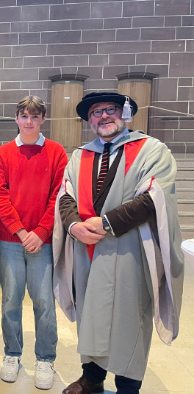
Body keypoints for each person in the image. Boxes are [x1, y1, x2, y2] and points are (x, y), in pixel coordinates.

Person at [54, 92, 184, 394]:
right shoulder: (80, 155)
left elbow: (154, 196)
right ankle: (92, 379)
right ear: (89, 120)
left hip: (131, 251)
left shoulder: (152, 150)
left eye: (110, 110)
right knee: (92, 314)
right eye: (96, 112)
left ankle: (128, 385)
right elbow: (65, 194)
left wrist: (106, 222)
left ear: (125, 113)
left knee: (130, 317)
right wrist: (73, 225)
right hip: (89, 251)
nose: (103, 116)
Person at [0, 95, 68, 390]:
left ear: (43, 119)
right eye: (24, 116)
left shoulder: (57, 152)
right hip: (10, 240)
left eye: (35, 117)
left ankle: (46, 358)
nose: (29, 121)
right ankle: (12, 354)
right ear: (16, 118)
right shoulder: (3, 153)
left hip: (43, 242)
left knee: (44, 302)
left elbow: (58, 196)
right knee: (11, 300)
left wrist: (41, 232)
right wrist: (22, 232)